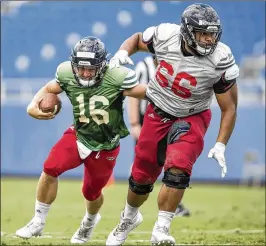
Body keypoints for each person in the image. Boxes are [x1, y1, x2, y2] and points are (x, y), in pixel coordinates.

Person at [106, 3, 239, 246]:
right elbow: (137, 39)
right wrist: (122, 52)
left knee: (178, 166)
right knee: (141, 176)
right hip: (157, 111)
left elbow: (229, 107)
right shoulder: (166, 35)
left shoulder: (220, 58)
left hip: (193, 114)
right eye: (203, 33)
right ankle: (128, 218)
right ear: (187, 32)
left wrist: (220, 144)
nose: (210, 39)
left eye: (213, 33)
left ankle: (162, 228)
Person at [15, 36, 147, 244]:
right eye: (81, 68)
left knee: (91, 192)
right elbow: (50, 88)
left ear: (102, 66)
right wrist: (32, 106)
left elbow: (146, 93)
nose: (85, 73)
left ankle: (89, 222)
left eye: (91, 68)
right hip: (78, 135)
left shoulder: (117, 76)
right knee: (50, 167)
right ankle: (38, 221)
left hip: (106, 145)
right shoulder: (66, 72)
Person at [129, 55, 190, 217]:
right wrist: (135, 123)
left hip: (171, 119)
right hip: (148, 120)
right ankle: (132, 206)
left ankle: (173, 204)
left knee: (172, 160)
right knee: (144, 162)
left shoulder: (179, 65)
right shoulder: (143, 66)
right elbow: (133, 94)